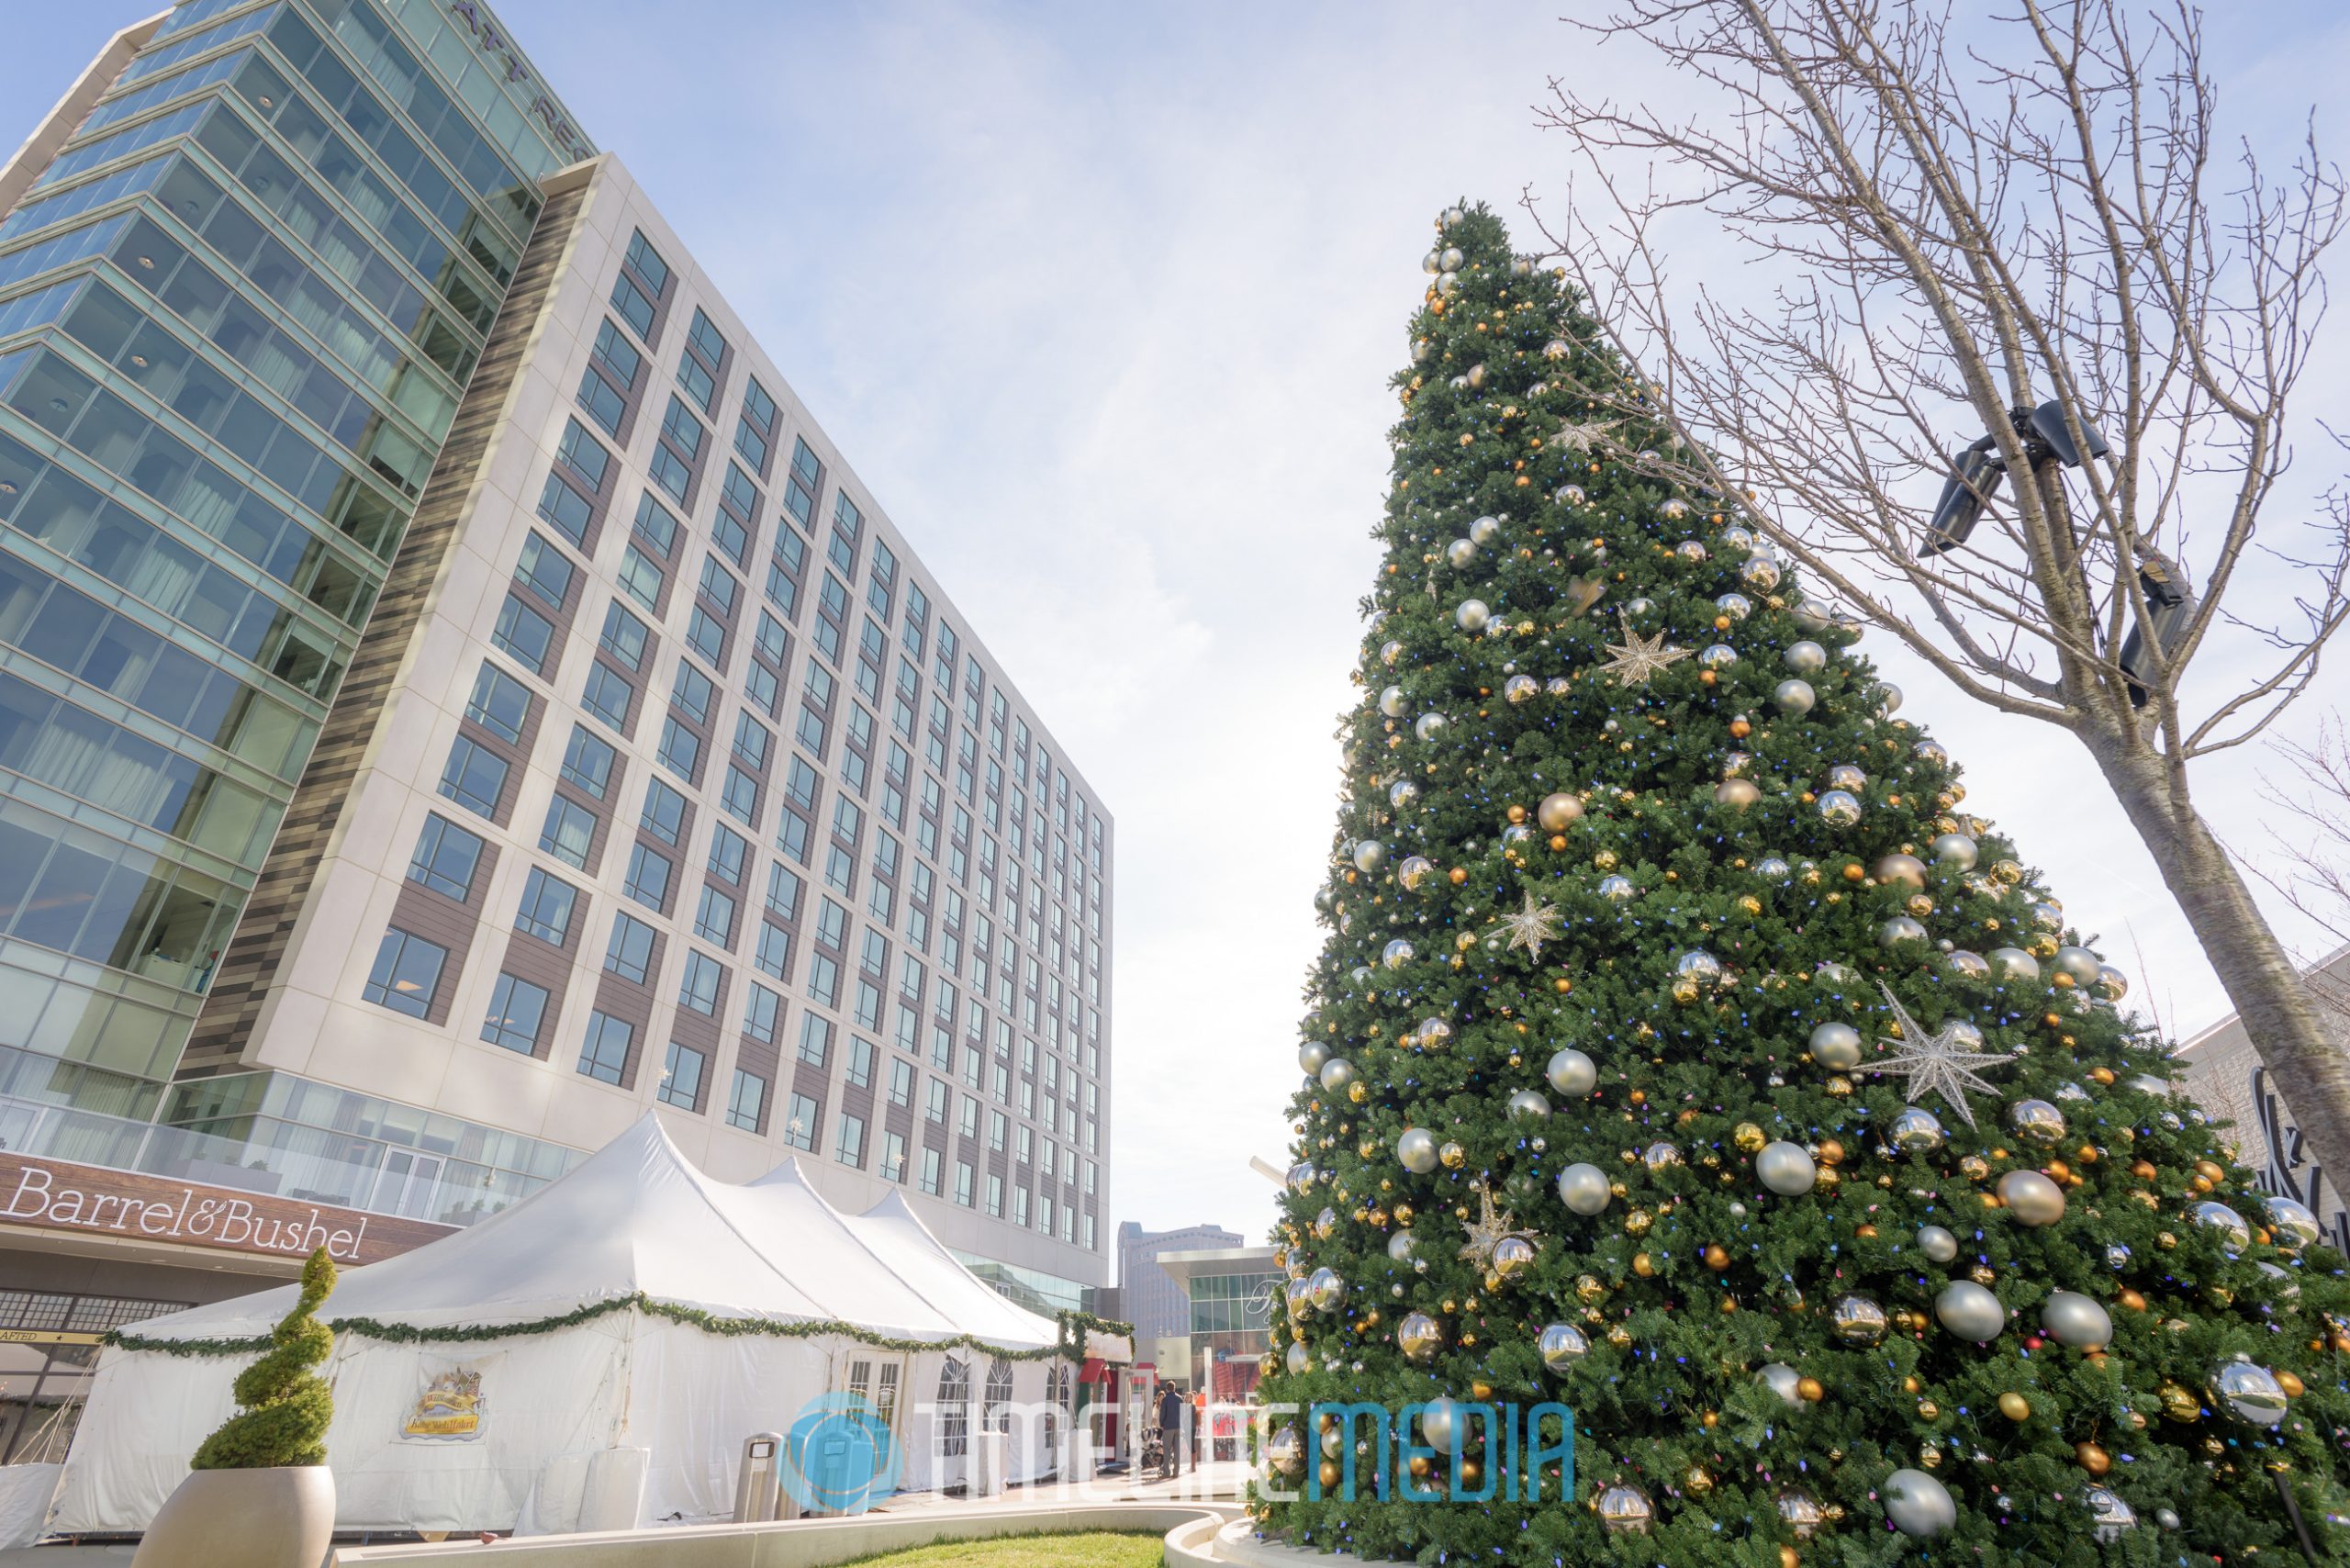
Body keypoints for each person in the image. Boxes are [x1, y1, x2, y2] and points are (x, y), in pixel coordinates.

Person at [1156, 1381, 1184, 1479]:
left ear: (1167, 1389)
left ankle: (1166, 1473)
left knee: (1166, 1450)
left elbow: (1162, 1413)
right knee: (1177, 1450)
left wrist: (1162, 1424)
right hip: (1178, 1427)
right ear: (1175, 1388)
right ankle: (1176, 1473)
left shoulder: (1165, 1400)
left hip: (1168, 1427)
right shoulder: (1180, 1399)